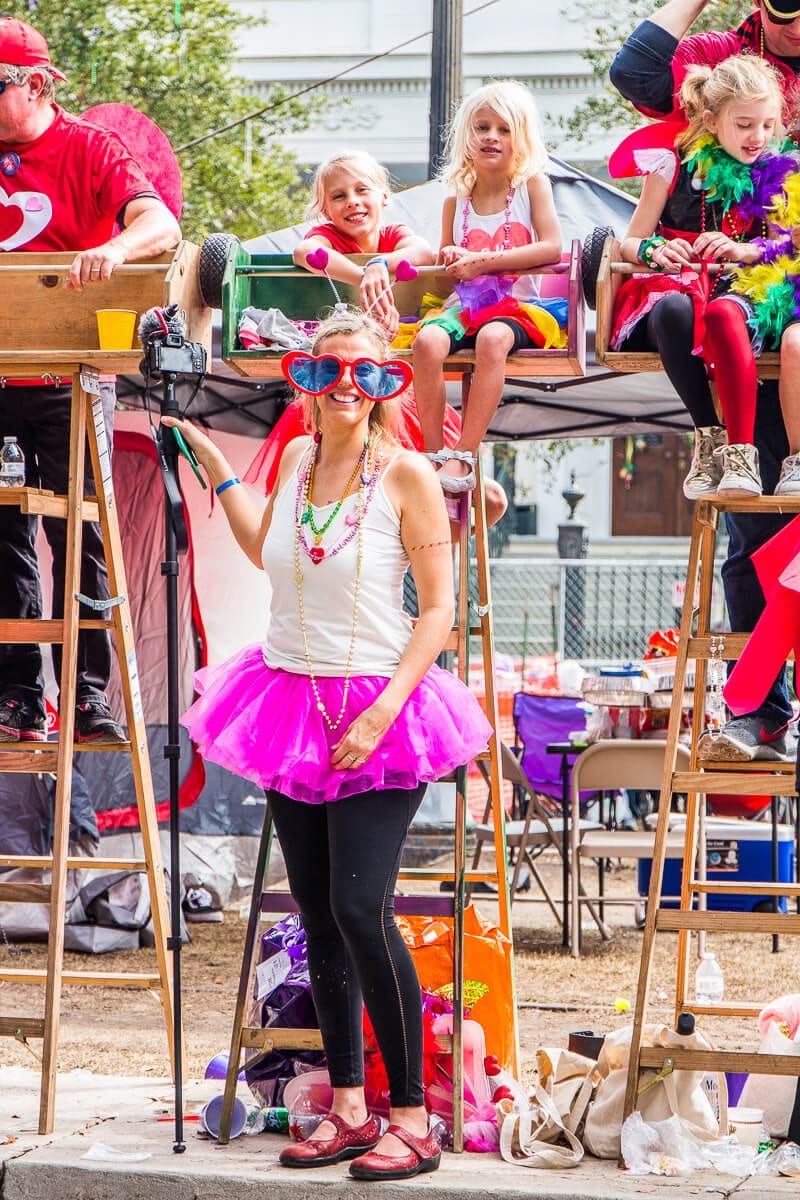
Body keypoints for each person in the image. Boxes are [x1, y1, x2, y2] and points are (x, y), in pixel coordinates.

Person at [164, 309, 492, 1182]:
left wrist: (385, 710)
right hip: (288, 701)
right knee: (315, 917)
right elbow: (268, 547)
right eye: (329, 370)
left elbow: (437, 610)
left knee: (359, 910)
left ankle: (413, 1120)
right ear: (303, 377)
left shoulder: (408, 475)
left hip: (381, 711)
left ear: (385, 383)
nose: (348, 386)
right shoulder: (301, 461)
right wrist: (214, 468)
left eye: (368, 372)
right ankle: (348, 1108)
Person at [610, 0, 800, 763]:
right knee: (753, 528)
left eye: (767, 125)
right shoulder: (722, 62)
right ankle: (759, 712)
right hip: (747, 344)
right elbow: (635, 71)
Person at [0, 17, 181, 744]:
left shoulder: (87, 146)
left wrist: (113, 248)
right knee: (2, 532)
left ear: (36, 83)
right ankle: (17, 696)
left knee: (79, 528)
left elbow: (159, 223)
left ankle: (87, 693)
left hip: (68, 374)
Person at [610, 55, 795, 500]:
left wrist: (749, 250)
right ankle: (709, 436)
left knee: (722, 313)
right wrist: (657, 249)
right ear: (712, 121)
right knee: (675, 308)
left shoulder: (781, 170)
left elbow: (791, 244)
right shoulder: (671, 165)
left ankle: (740, 455)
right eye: (746, 124)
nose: (758, 137)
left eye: (767, 125)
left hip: (746, 289)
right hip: (678, 284)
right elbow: (629, 242)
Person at [412, 80, 564, 494]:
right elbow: (446, 275)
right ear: (467, 136)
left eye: (504, 129)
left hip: (517, 307)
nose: (492, 137)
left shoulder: (532, 185)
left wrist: (481, 261)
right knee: (425, 343)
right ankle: (433, 452)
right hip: (465, 304)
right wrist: (445, 261)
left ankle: (464, 452)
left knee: (493, 341)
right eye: (482, 128)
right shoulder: (455, 199)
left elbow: (551, 247)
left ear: (521, 138)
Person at [293, 150, 435, 337]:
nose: (352, 201)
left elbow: (424, 252)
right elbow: (304, 251)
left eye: (362, 190)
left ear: (384, 196)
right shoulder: (328, 235)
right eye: (339, 196)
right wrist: (368, 282)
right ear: (326, 212)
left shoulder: (393, 234)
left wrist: (378, 264)